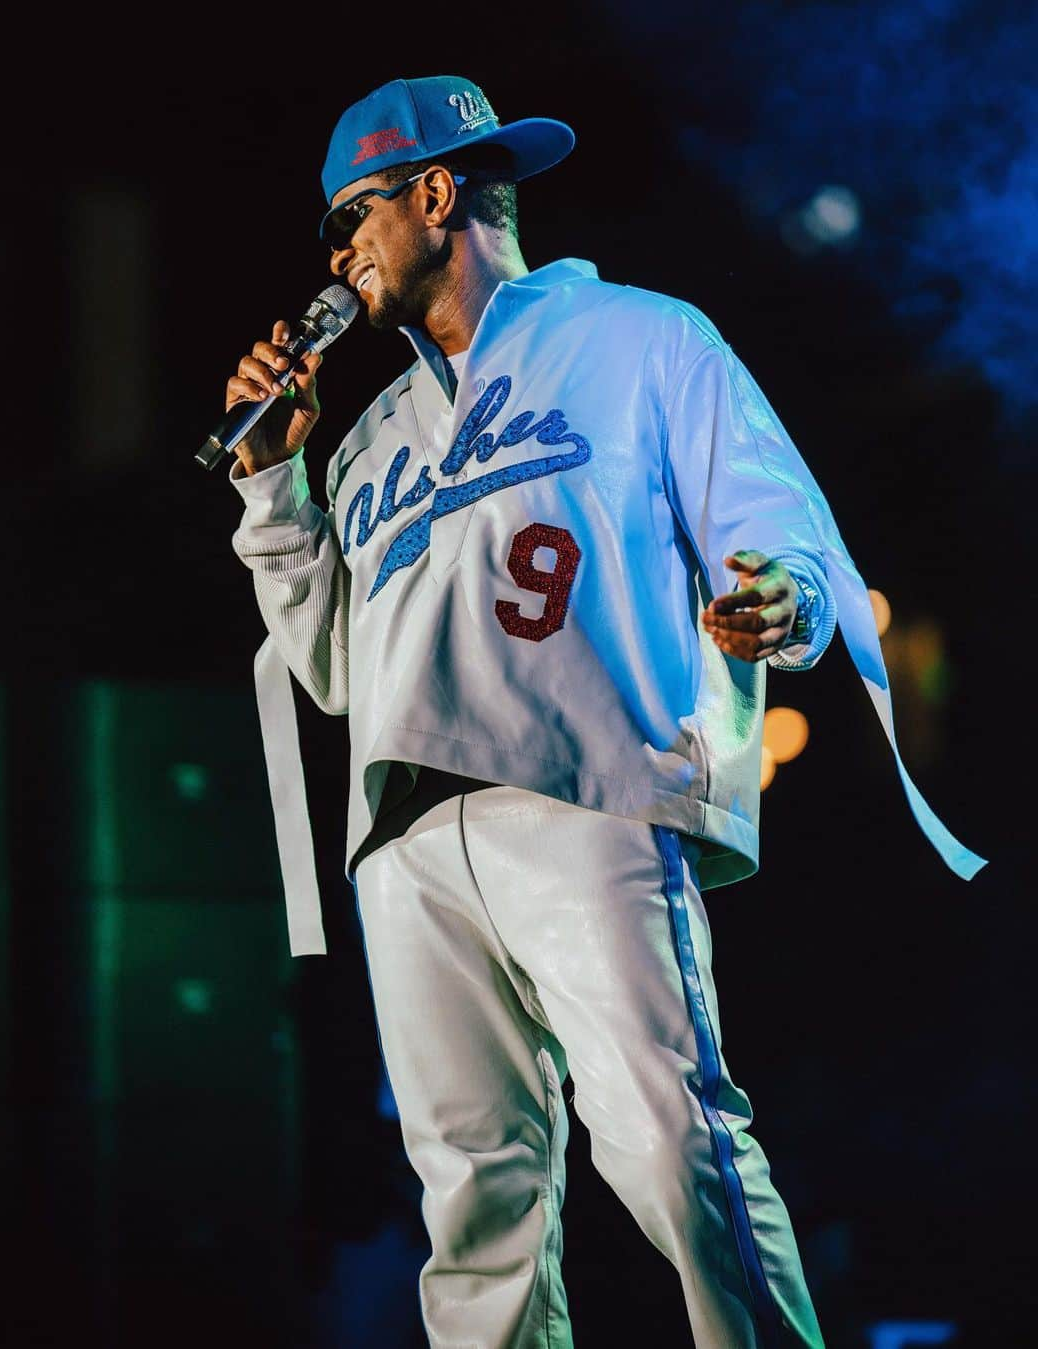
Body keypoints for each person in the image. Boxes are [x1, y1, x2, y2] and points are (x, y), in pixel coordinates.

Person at [224, 75, 984, 1349]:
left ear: (434, 192)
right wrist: (275, 489)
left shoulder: (640, 336)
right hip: (406, 837)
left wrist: (782, 600)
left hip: (581, 790)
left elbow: (772, 519)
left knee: (670, 1142)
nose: (339, 252)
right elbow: (335, 671)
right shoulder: (360, 440)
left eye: (353, 215)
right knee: (473, 1205)